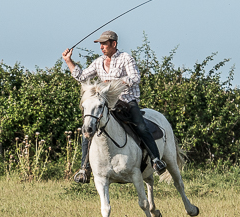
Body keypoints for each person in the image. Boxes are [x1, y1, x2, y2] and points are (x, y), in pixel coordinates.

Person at [61, 30, 166, 184]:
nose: (101, 47)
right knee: (88, 129)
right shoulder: (98, 62)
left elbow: (135, 77)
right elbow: (82, 77)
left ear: (114, 44)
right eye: (100, 44)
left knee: (141, 127)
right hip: (107, 104)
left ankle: (156, 160)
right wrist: (68, 61)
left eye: (104, 44)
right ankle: (84, 168)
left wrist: (114, 83)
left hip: (127, 101)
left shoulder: (125, 58)